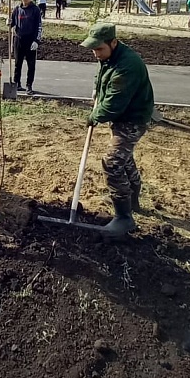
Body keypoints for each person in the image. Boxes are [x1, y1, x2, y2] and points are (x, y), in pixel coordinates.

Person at [83, 23, 154, 236]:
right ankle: (132, 201)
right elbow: (102, 73)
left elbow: (113, 105)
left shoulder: (128, 65)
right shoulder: (109, 57)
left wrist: (94, 116)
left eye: (99, 49)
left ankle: (124, 217)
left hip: (132, 119)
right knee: (124, 158)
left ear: (113, 43)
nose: (96, 54)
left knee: (112, 163)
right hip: (124, 116)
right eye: (93, 49)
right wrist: (97, 88)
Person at [10, 0, 42, 94]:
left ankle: (29, 86)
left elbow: (39, 27)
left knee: (31, 65)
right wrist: (8, 22)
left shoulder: (35, 10)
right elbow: (12, 23)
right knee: (17, 64)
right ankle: (16, 84)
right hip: (18, 40)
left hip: (31, 41)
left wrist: (36, 41)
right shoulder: (16, 9)